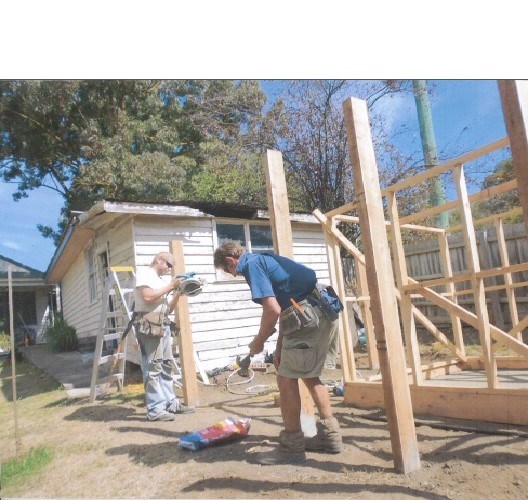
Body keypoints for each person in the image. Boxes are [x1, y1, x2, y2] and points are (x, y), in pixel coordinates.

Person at [213, 242, 342, 465]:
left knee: (285, 377)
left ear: (230, 261)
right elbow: (285, 306)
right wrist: (279, 345)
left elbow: (272, 309)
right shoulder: (264, 259)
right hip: (320, 309)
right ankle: (330, 437)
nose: (232, 274)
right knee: (310, 375)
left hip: (307, 315)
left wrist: (258, 341)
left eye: (228, 271)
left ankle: (291, 448)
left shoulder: (251, 265)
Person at [134, 251, 195, 421]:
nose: (170, 269)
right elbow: (147, 297)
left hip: (163, 324)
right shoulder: (144, 273)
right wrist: (170, 286)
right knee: (153, 367)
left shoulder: (161, 281)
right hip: (149, 325)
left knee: (167, 364)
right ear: (159, 260)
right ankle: (155, 409)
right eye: (168, 264)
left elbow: (168, 308)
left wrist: (178, 291)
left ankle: (170, 403)